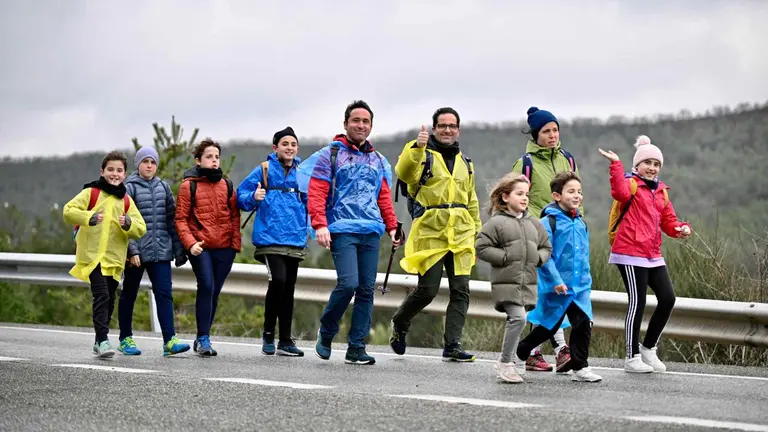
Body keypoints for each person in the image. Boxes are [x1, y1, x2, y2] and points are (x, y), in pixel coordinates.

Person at [297, 100, 401, 365]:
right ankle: (327, 331)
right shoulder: (330, 155)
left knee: (366, 289)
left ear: (371, 127)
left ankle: (356, 347)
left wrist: (392, 226)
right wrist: (320, 224)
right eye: (356, 120)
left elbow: (384, 197)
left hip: (371, 231)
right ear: (346, 124)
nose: (361, 125)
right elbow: (317, 192)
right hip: (341, 229)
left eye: (366, 122)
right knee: (349, 284)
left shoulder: (377, 160)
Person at [389, 107, 481, 362]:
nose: (448, 130)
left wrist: (476, 232)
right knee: (428, 290)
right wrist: (416, 148)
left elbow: (471, 200)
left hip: (461, 234)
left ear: (458, 130)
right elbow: (404, 173)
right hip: (431, 232)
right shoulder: (423, 155)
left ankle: (452, 345)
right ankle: (400, 321)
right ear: (434, 129)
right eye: (442, 126)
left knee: (461, 290)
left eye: (452, 126)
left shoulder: (466, 163)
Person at [599, 135, 691, 373]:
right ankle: (632, 357)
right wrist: (616, 165)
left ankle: (649, 348)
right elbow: (618, 192)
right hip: (629, 252)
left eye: (656, 164)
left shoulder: (661, 192)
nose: (652, 168)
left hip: (652, 254)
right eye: (647, 162)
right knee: (637, 302)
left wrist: (679, 228)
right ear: (637, 165)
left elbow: (668, 221)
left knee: (668, 298)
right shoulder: (630, 184)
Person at [511, 106, 580, 372]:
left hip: (565, 238)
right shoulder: (525, 163)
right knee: (543, 292)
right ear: (535, 134)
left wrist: (578, 227)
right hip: (535, 235)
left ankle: (550, 350)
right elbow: (515, 197)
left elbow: (576, 194)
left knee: (558, 291)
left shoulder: (568, 159)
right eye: (546, 131)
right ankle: (545, 350)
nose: (552, 135)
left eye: (555, 130)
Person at [516, 172, 602, 382]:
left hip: (579, 288)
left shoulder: (581, 223)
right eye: (571, 191)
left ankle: (580, 367)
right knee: (547, 328)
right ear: (556, 195)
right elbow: (543, 256)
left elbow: (583, 255)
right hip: (557, 287)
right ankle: (518, 354)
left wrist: (586, 281)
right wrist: (555, 281)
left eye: (579, 192)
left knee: (583, 324)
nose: (577, 196)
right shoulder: (548, 222)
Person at [63, 150, 146, 358]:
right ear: (102, 171)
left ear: (125, 174)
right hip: (93, 258)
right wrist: (89, 217)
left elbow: (141, 227)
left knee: (109, 300)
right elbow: (68, 210)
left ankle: (99, 340)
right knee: (101, 295)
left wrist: (128, 223)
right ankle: (102, 340)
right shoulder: (91, 193)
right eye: (110, 169)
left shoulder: (125, 201)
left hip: (115, 260)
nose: (114, 174)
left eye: (119, 170)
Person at [237, 126, 307, 357]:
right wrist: (253, 197)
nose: (289, 148)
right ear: (275, 147)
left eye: (293, 144)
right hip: (269, 238)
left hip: (295, 238)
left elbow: (314, 200)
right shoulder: (264, 169)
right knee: (278, 280)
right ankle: (268, 334)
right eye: (285, 144)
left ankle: (285, 340)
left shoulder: (303, 172)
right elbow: (241, 195)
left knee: (288, 288)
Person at [475, 174, 551, 383]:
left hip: (527, 284)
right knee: (519, 319)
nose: (524, 198)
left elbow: (546, 246)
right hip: (506, 284)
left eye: (526, 194)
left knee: (518, 320)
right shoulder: (497, 223)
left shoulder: (533, 224)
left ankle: (513, 362)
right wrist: (504, 257)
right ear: (506, 197)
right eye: (519, 194)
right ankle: (505, 362)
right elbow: (481, 247)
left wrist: (538, 258)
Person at [118, 146, 191, 357]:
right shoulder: (128, 188)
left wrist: (178, 251)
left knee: (164, 295)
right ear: (138, 164)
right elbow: (123, 222)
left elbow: (171, 221)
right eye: (145, 162)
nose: (149, 165)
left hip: (161, 252)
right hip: (136, 254)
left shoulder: (163, 187)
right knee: (129, 295)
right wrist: (132, 250)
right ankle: (125, 339)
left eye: (153, 162)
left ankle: (169, 341)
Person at [175, 139, 241, 357]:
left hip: (224, 248)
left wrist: (234, 246)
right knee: (206, 286)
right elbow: (181, 220)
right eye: (209, 157)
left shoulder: (227, 184)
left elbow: (233, 216)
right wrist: (191, 243)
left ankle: (202, 336)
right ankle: (204, 338)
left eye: (216, 157)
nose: (214, 161)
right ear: (198, 160)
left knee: (214, 292)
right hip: (200, 247)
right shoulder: (188, 186)